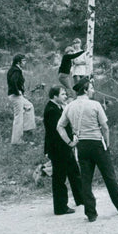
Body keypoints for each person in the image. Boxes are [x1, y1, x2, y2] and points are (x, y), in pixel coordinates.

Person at [57, 77, 118, 222]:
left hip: (81, 146)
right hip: (97, 144)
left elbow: (59, 126)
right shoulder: (95, 105)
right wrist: (107, 143)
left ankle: (91, 214)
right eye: (91, 88)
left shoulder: (69, 106)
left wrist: (69, 142)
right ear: (85, 90)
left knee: (86, 181)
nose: (93, 90)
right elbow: (105, 127)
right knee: (109, 177)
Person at [44, 86, 85, 215]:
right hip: (58, 149)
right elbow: (58, 131)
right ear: (55, 96)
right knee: (59, 178)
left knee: (74, 172)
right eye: (62, 94)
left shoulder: (58, 107)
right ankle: (60, 207)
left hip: (64, 147)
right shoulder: (51, 110)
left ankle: (80, 198)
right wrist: (69, 142)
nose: (65, 96)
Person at [7, 54, 36, 145]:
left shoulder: (15, 69)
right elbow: (13, 82)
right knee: (18, 117)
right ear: (18, 62)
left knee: (29, 106)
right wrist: (18, 92)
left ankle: (27, 129)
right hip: (15, 96)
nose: (25, 62)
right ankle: (16, 141)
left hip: (16, 95)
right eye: (23, 61)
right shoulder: (16, 71)